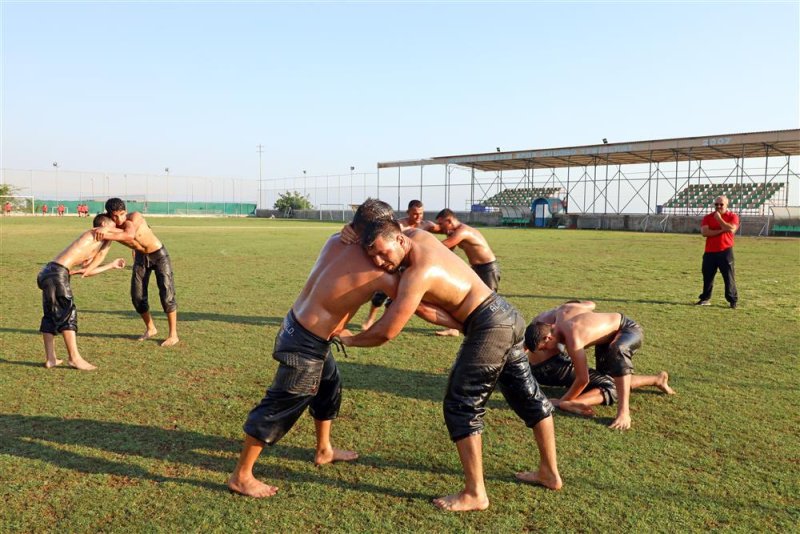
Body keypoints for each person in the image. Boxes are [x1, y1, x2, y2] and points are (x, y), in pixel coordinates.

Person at [228, 200, 459, 498]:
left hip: (297, 327)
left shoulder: (335, 239)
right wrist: (467, 322)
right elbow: (424, 309)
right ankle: (241, 475)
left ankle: (324, 450)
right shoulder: (380, 269)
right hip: (305, 343)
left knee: (329, 387)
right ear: (369, 230)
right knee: (281, 404)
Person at [340, 220, 560, 512]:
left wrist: (351, 339)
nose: (380, 262)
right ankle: (549, 473)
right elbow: (427, 309)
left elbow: (386, 332)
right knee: (527, 395)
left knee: (461, 404)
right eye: (373, 258)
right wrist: (355, 229)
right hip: (507, 315)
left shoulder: (417, 273)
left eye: (383, 253)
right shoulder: (419, 238)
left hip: (490, 325)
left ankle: (475, 493)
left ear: (400, 240)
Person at [525, 301, 674, 417]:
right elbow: (591, 304)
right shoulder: (561, 312)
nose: (546, 351)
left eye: (544, 347)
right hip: (604, 339)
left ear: (548, 336)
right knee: (609, 379)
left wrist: (562, 401)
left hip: (627, 329)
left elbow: (583, 379)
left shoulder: (573, 339)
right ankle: (657, 379)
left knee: (617, 354)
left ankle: (623, 412)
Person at [37, 214, 127, 370]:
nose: (115, 230)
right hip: (57, 273)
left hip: (50, 273)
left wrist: (111, 265)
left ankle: (50, 359)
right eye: (113, 226)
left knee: (50, 316)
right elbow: (118, 233)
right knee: (68, 314)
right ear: (104, 224)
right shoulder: (94, 232)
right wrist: (127, 227)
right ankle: (74, 358)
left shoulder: (97, 244)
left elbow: (88, 271)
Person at [91, 198, 179, 347]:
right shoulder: (110, 227)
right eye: (114, 216)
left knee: (167, 293)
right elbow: (102, 252)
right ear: (109, 215)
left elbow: (129, 235)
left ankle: (173, 335)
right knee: (137, 296)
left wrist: (106, 232)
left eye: (122, 214)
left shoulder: (135, 217)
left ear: (126, 211)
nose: (119, 219)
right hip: (140, 258)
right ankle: (151, 328)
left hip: (159, 255)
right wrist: (88, 268)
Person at [696, 195, 739, 308]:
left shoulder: (732, 216)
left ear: (727, 205)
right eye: (716, 204)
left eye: (721, 204)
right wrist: (722, 229)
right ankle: (705, 298)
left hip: (725, 250)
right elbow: (705, 232)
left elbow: (732, 229)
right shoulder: (708, 217)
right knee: (707, 276)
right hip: (710, 251)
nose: (718, 206)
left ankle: (732, 300)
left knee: (729, 276)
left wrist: (719, 219)